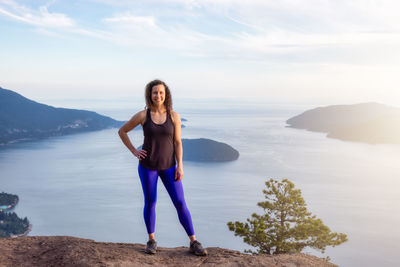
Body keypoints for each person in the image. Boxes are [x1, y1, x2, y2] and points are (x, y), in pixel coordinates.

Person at [118, 79, 208, 256]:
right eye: (154, 92)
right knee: (150, 202)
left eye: (161, 92)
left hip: (169, 167)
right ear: (149, 95)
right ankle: (151, 240)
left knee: (180, 203)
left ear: (165, 95)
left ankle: (193, 241)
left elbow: (177, 142)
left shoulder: (174, 116)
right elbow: (122, 131)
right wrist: (134, 151)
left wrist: (180, 165)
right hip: (148, 167)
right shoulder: (143, 116)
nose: (157, 95)